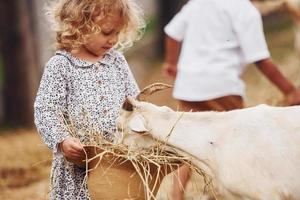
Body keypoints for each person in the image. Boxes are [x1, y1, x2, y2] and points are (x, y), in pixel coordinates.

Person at [162, 0, 300, 199]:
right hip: (223, 88)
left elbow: (172, 33)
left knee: (185, 145)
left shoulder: (198, 3)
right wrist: (290, 90)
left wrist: (171, 63)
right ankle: (229, 192)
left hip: (189, 87)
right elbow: (260, 59)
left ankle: (176, 195)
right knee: (236, 141)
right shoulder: (245, 10)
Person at [34, 0, 144, 199]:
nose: (113, 40)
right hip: (79, 165)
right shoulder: (61, 66)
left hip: (116, 161)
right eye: (106, 32)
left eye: (117, 33)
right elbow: (46, 110)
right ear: (79, 26)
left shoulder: (117, 61)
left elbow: (134, 103)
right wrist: (63, 141)